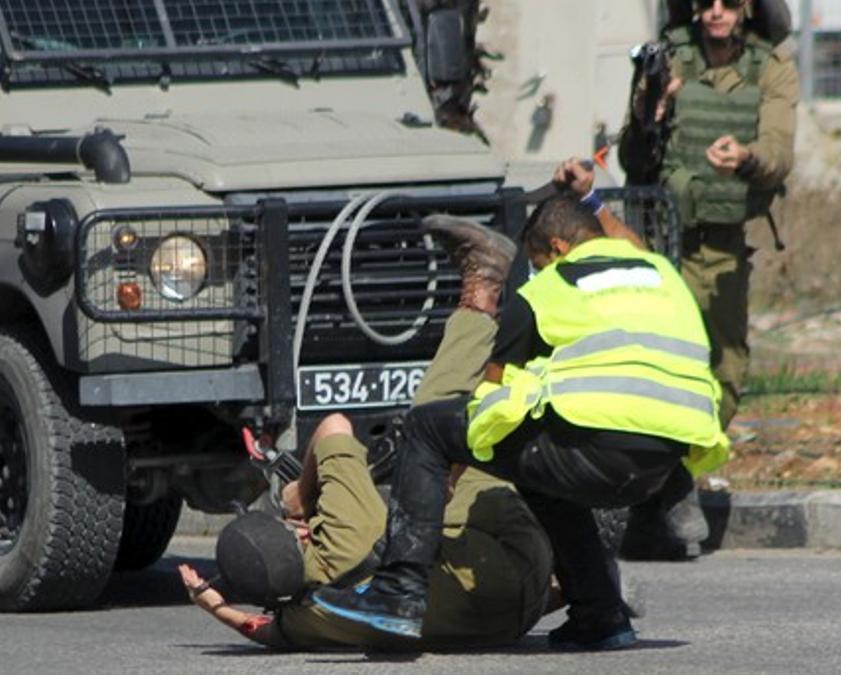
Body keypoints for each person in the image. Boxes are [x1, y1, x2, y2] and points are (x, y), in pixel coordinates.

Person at [313, 158, 730, 651]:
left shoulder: (547, 290)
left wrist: (450, 460)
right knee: (543, 475)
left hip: (597, 449)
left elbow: (492, 397)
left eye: (536, 261)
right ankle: (601, 614)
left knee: (428, 427)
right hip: (666, 461)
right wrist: (593, 199)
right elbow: (624, 242)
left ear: (556, 248)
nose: (534, 272)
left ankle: (398, 593)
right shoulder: (656, 271)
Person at [178, 226, 555, 651]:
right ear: (298, 534)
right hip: (514, 558)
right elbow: (334, 426)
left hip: (517, 615)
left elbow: (260, 629)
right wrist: (299, 495)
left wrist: (215, 606)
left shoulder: (310, 616)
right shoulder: (338, 530)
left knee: (435, 525)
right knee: (431, 426)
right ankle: (482, 297)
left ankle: (580, 578)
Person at [617, 0, 799, 560]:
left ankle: (669, 480)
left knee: (724, 371)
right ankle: (666, 493)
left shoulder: (770, 68)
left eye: (728, 1)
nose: (716, 11)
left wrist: (744, 157)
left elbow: (778, 151)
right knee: (655, 365)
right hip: (658, 238)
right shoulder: (669, 60)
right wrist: (655, 105)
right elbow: (632, 156)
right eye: (706, 2)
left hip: (720, 245)